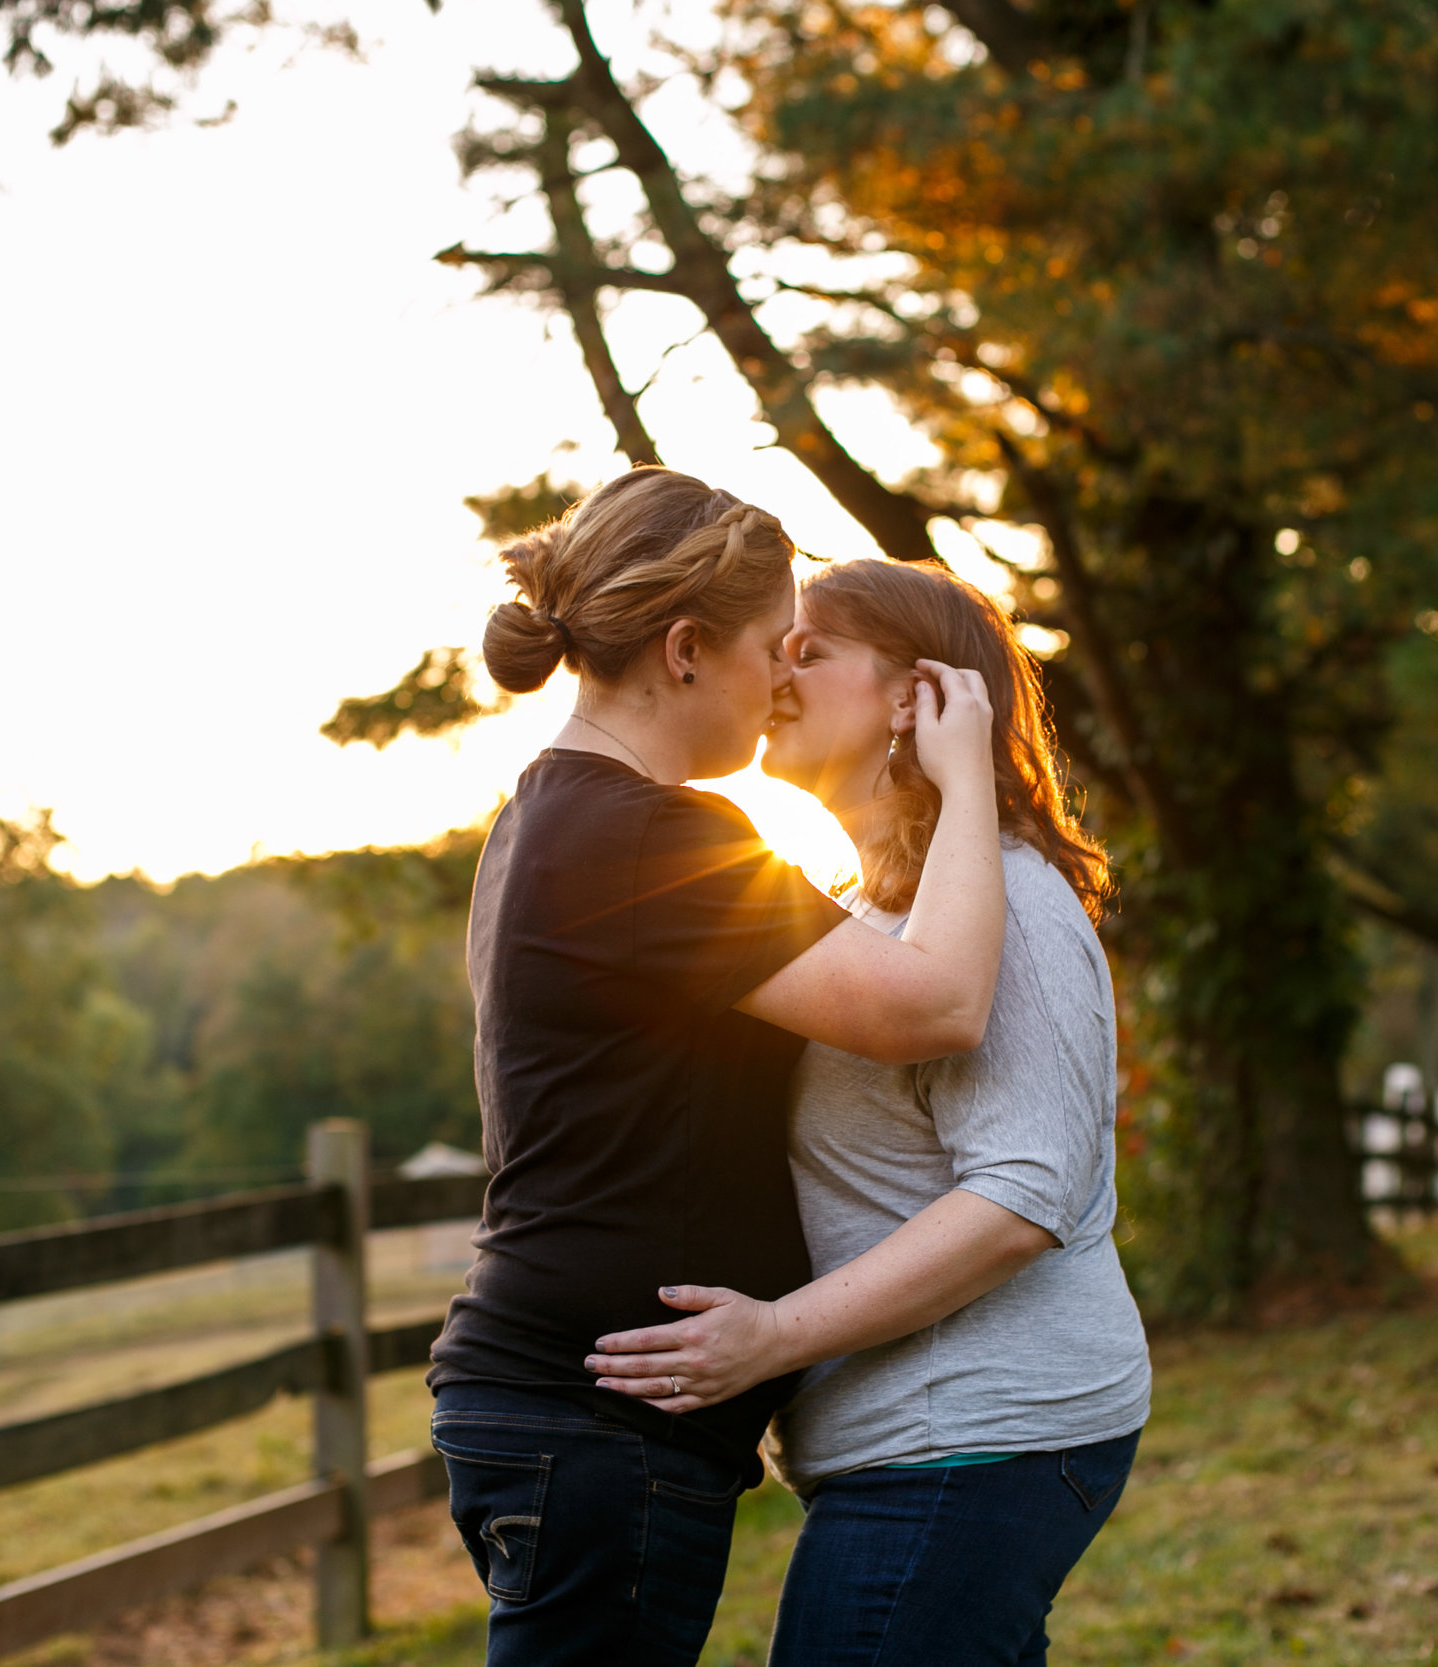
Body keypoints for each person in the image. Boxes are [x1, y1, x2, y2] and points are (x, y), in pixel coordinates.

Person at [426, 468, 1012, 1666]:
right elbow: (940, 1003)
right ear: (687, 649)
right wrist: (968, 784)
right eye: (769, 647)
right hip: (593, 1423)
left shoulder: (553, 812)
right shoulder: (646, 831)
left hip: (572, 1413)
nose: (781, 681)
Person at [583, 556, 1152, 1666]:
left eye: (812, 649)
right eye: (774, 648)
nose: (776, 672)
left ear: (918, 696)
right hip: (920, 1443)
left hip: (979, 1438)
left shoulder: (1008, 905)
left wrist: (771, 1337)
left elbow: (1020, 1198)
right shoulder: (867, 916)